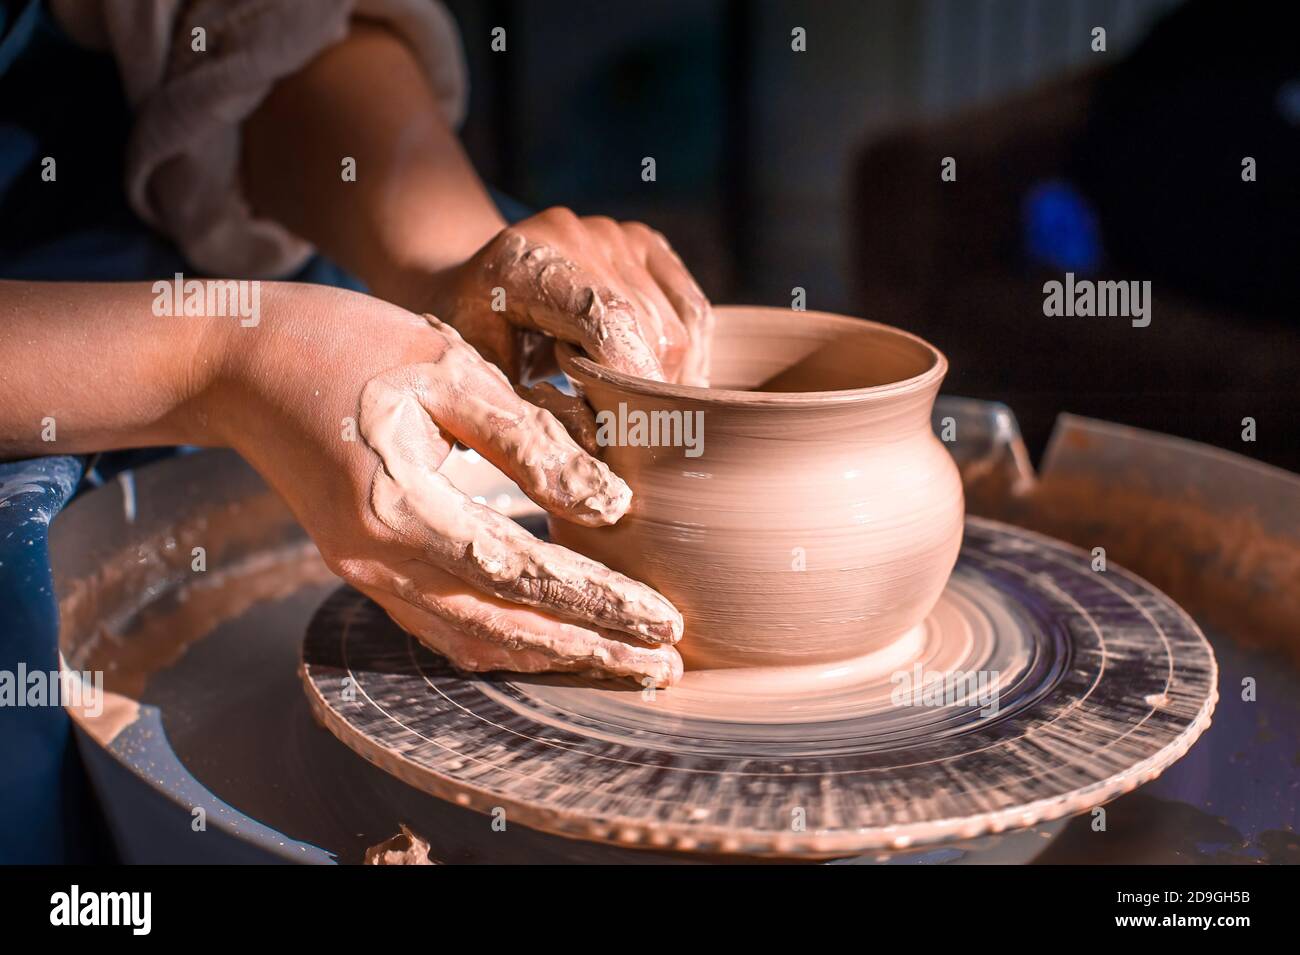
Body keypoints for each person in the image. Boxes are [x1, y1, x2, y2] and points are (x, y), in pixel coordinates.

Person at [0, 0, 710, 860]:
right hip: (50, 334)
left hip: (225, 238)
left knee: (528, 338)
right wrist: (221, 358)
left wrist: (455, 259)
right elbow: (238, 348)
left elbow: (241, 38)